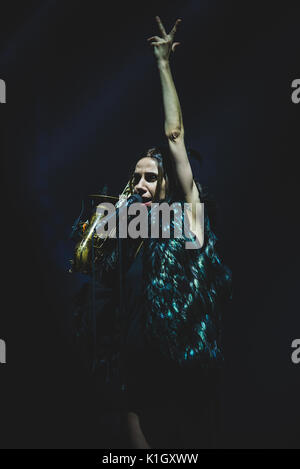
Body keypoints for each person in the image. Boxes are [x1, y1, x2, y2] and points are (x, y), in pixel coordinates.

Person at [71, 16, 231, 449]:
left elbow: (174, 137)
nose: (139, 185)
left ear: (167, 186)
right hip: (140, 387)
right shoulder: (130, 237)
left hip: (188, 384)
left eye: (149, 178)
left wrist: (163, 65)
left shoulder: (187, 220)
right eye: (134, 177)